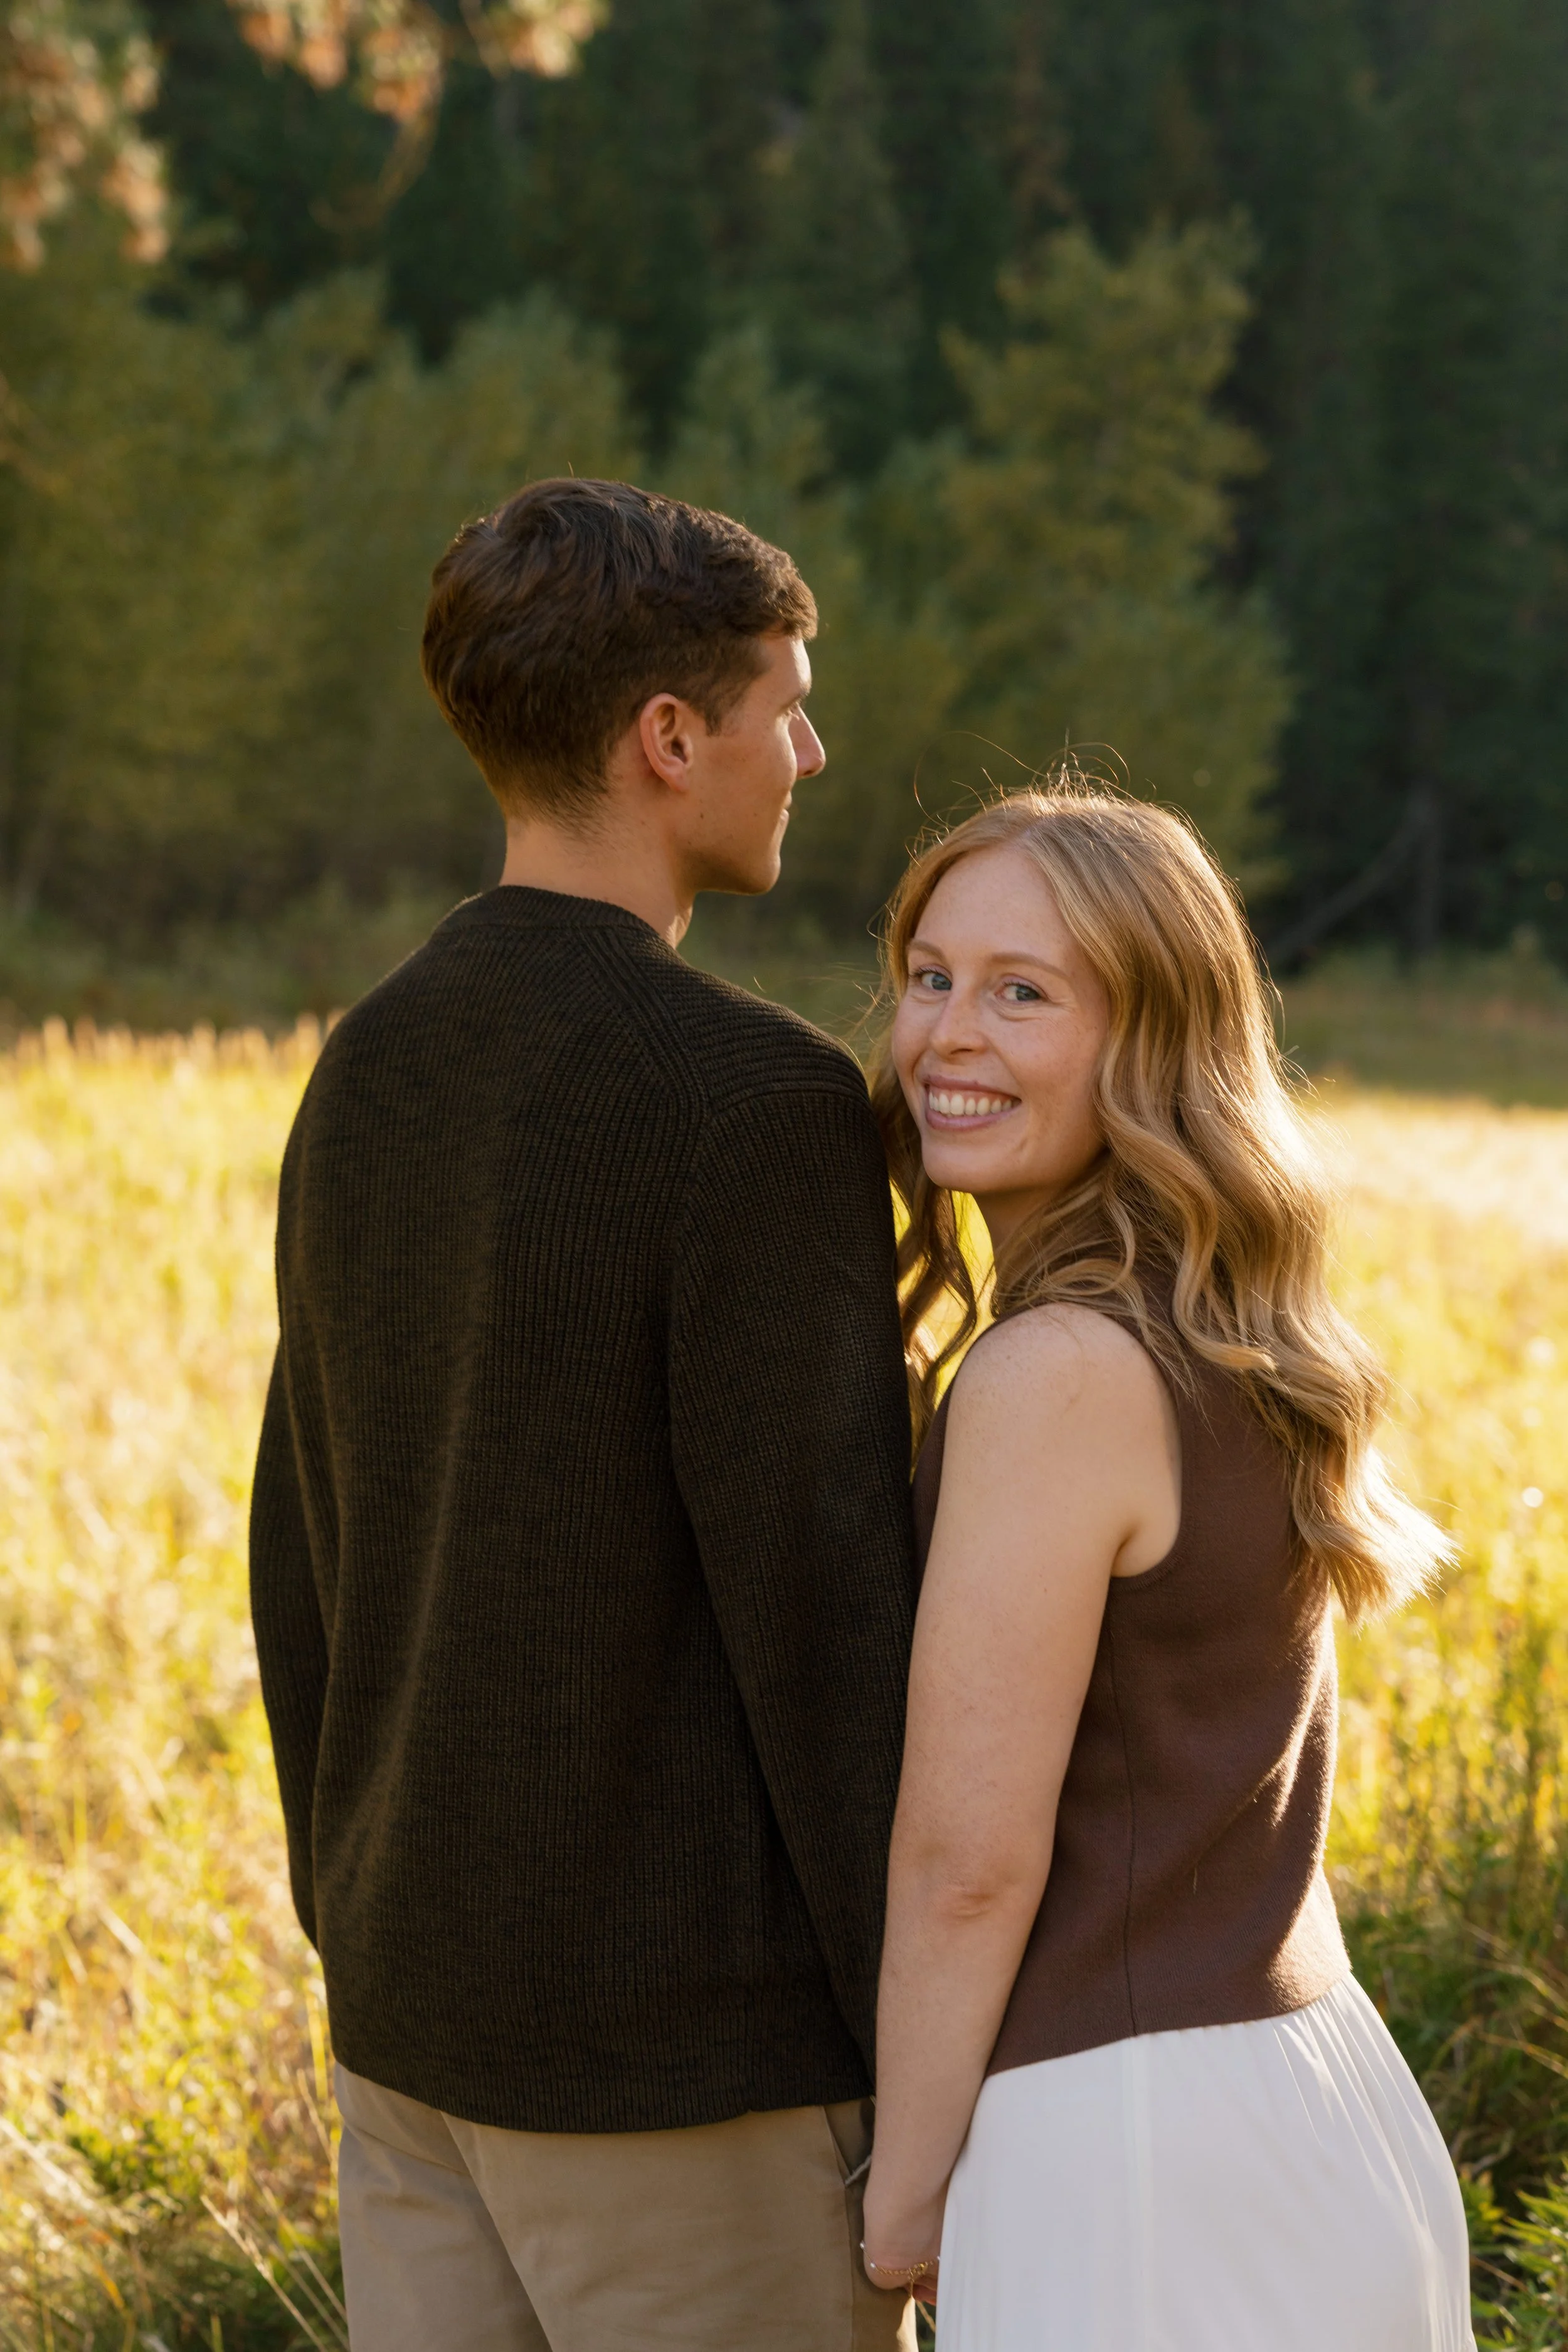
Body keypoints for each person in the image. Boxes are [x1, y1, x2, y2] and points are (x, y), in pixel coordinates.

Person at [249, 478, 918, 2352]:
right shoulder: (751, 1101)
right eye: (786, 699)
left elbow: (299, 1540)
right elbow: (827, 1619)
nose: (808, 747)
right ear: (666, 739)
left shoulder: (367, 1058)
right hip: (682, 2073)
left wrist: (353, 1906)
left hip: (409, 2020)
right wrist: (928, 2066)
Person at [858, 786, 1475, 2349]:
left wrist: (909, 2187)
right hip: (1310, 2093)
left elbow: (967, 1865)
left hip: (1127, 2159)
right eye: (929, 975)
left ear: (1152, 1044)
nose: (946, 1034)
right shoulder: (1227, 1335)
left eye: (1023, 992)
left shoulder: (1053, 1373)